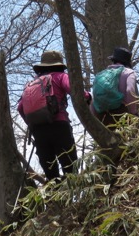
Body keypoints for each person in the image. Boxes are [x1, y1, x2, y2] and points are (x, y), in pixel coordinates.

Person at [17, 50, 89, 181]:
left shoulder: (32, 83)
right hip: (59, 125)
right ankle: (73, 196)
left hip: (39, 130)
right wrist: (88, 96)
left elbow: (20, 108)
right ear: (59, 64)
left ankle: (54, 196)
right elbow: (75, 90)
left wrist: (33, 122)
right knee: (70, 168)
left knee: (51, 174)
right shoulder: (61, 76)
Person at [90, 46, 139, 126]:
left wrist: (95, 118)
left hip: (102, 116)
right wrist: (133, 112)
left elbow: (94, 97)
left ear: (113, 60)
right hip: (122, 115)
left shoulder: (100, 75)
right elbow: (130, 91)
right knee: (127, 138)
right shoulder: (129, 72)